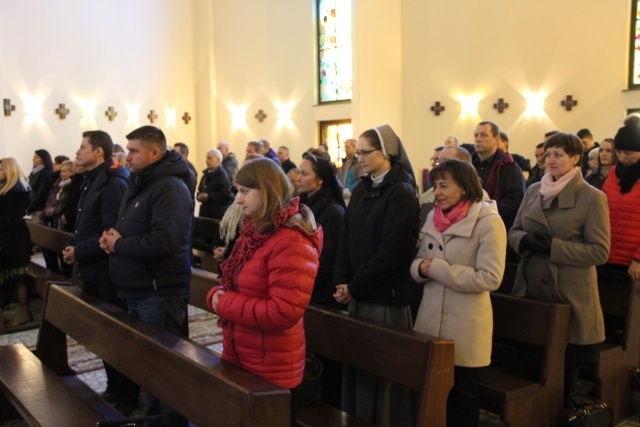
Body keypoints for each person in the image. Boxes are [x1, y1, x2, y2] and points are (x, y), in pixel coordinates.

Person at [206, 158, 322, 427]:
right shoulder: (256, 232)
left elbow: (282, 312)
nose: (238, 200)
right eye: (237, 191)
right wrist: (218, 293)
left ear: (267, 190)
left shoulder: (291, 240)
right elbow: (239, 284)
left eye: (245, 192)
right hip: (244, 356)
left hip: (272, 368)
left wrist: (223, 302)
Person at [99, 125, 192, 427]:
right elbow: (131, 227)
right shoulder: (141, 182)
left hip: (159, 291)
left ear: (154, 152)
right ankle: (154, 418)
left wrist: (121, 244)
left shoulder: (170, 187)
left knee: (166, 371)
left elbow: (165, 241)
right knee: (151, 367)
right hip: (138, 288)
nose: (127, 157)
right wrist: (112, 239)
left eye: (133, 151)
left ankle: (169, 421)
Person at [508, 132, 610, 406]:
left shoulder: (592, 197)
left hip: (570, 296)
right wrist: (525, 240)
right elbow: (514, 231)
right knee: (531, 366)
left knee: (562, 375)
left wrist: (553, 248)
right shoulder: (533, 191)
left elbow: (599, 251)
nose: (550, 160)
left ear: (576, 159)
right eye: (547, 154)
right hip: (533, 292)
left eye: (558, 155)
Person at [333, 124, 419, 427]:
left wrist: (354, 286)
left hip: (385, 298)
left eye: (366, 152)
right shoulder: (363, 189)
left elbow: (392, 252)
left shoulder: (401, 193)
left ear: (387, 153)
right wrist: (342, 281)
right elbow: (346, 238)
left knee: (383, 372)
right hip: (357, 292)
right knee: (360, 367)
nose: (360, 158)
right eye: (358, 152)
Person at [411, 160, 506, 427]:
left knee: (463, 395)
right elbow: (419, 261)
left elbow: (491, 277)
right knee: (434, 394)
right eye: (435, 186)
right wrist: (419, 268)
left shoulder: (488, 222)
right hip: (431, 319)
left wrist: (438, 269)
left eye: (444, 186)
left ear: (464, 188)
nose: (437, 192)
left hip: (465, 323)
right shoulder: (433, 217)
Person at [63, 130, 133, 414]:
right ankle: (114, 388)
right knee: (102, 334)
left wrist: (79, 251)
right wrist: (72, 245)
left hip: (107, 272)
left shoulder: (112, 182)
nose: (77, 152)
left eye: (82, 148)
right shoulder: (92, 180)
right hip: (92, 268)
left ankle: (127, 395)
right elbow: (85, 224)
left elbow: (111, 230)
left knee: (115, 336)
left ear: (98, 152)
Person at [600, 114, 640, 344]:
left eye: (630, 153)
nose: (624, 157)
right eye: (621, 152)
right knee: (608, 314)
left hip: (632, 263)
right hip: (608, 256)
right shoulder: (613, 174)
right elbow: (603, 207)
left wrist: (638, 259)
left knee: (630, 321)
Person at [471, 121, 525, 233]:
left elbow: (515, 201)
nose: (478, 139)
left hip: (499, 226)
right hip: (470, 225)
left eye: (484, 135)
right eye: (476, 135)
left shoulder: (509, 166)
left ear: (496, 139)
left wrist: (483, 212)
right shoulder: (468, 164)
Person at [0, 158, 33, 328]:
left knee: (18, 276)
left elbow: (12, 220)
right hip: (7, 238)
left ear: (10, 171)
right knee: (9, 275)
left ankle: (24, 311)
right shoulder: (5, 189)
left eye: (1, 169)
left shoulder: (15, 192)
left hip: (15, 240)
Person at [196, 148, 234, 220]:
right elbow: (200, 189)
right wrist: (199, 196)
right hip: (205, 212)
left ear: (218, 160)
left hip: (217, 213)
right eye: (207, 158)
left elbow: (225, 194)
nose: (206, 161)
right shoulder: (206, 174)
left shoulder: (222, 175)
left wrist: (209, 196)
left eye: (210, 158)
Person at [26, 149, 53, 221]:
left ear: (44, 159)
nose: (33, 159)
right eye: (34, 157)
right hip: (32, 206)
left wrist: (30, 207)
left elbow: (41, 193)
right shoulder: (34, 172)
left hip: (39, 208)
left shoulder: (45, 173)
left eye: (37, 157)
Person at [338, 138, 363, 205]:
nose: (345, 149)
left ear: (354, 147)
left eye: (348, 147)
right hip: (342, 195)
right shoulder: (345, 161)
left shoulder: (359, 162)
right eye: (345, 147)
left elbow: (361, 179)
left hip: (353, 196)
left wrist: (349, 190)